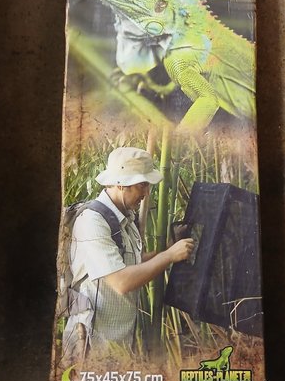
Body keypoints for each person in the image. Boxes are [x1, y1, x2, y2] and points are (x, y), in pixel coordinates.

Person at [62, 146, 194, 359]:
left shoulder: (125, 218)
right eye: (142, 185)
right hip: (91, 345)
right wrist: (169, 256)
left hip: (118, 344)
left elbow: (132, 264)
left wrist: (169, 248)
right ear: (121, 183)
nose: (146, 193)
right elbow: (121, 281)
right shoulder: (92, 221)